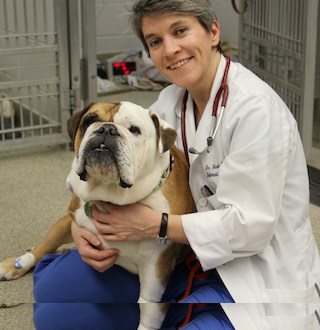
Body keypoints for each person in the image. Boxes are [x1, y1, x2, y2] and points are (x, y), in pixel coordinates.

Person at [33, 0, 320, 329]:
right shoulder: (168, 103)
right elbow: (115, 172)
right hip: (179, 255)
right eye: (155, 41)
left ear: (213, 32)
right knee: (57, 303)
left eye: (180, 31)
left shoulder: (255, 110)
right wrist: (79, 226)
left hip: (255, 273)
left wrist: (157, 225)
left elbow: (250, 228)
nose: (170, 49)